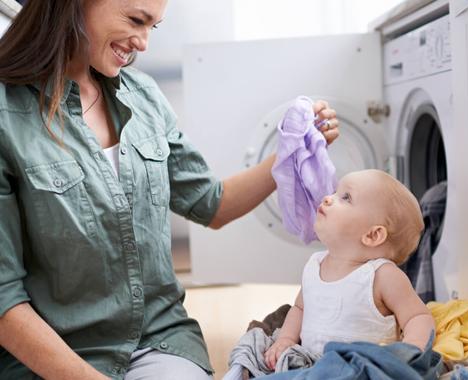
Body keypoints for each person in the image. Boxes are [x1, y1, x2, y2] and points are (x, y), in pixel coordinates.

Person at [0, 1, 339, 379]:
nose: (143, 43)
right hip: (53, 355)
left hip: (156, 341)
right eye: (135, 20)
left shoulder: (143, 96)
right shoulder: (6, 114)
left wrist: (289, 154)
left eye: (153, 27)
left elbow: (212, 204)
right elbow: (3, 299)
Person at [263, 169, 436, 371]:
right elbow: (300, 309)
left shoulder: (382, 275)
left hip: (362, 370)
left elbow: (418, 316)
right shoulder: (314, 265)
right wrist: (285, 340)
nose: (328, 198)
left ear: (372, 235)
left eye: (346, 197)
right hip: (311, 365)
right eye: (335, 192)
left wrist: (411, 349)